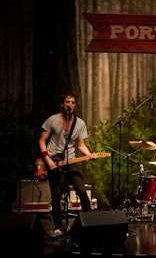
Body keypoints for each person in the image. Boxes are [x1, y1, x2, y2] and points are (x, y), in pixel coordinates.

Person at [38, 93, 97, 238]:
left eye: (72, 102)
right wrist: (48, 160)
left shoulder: (80, 123)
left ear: (75, 105)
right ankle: (58, 227)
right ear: (62, 104)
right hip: (53, 160)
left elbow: (81, 145)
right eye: (67, 102)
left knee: (82, 192)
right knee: (56, 195)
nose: (70, 104)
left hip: (71, 160)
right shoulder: (52, 120)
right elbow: (41, 141)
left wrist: (89, 155)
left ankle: (90, 223)